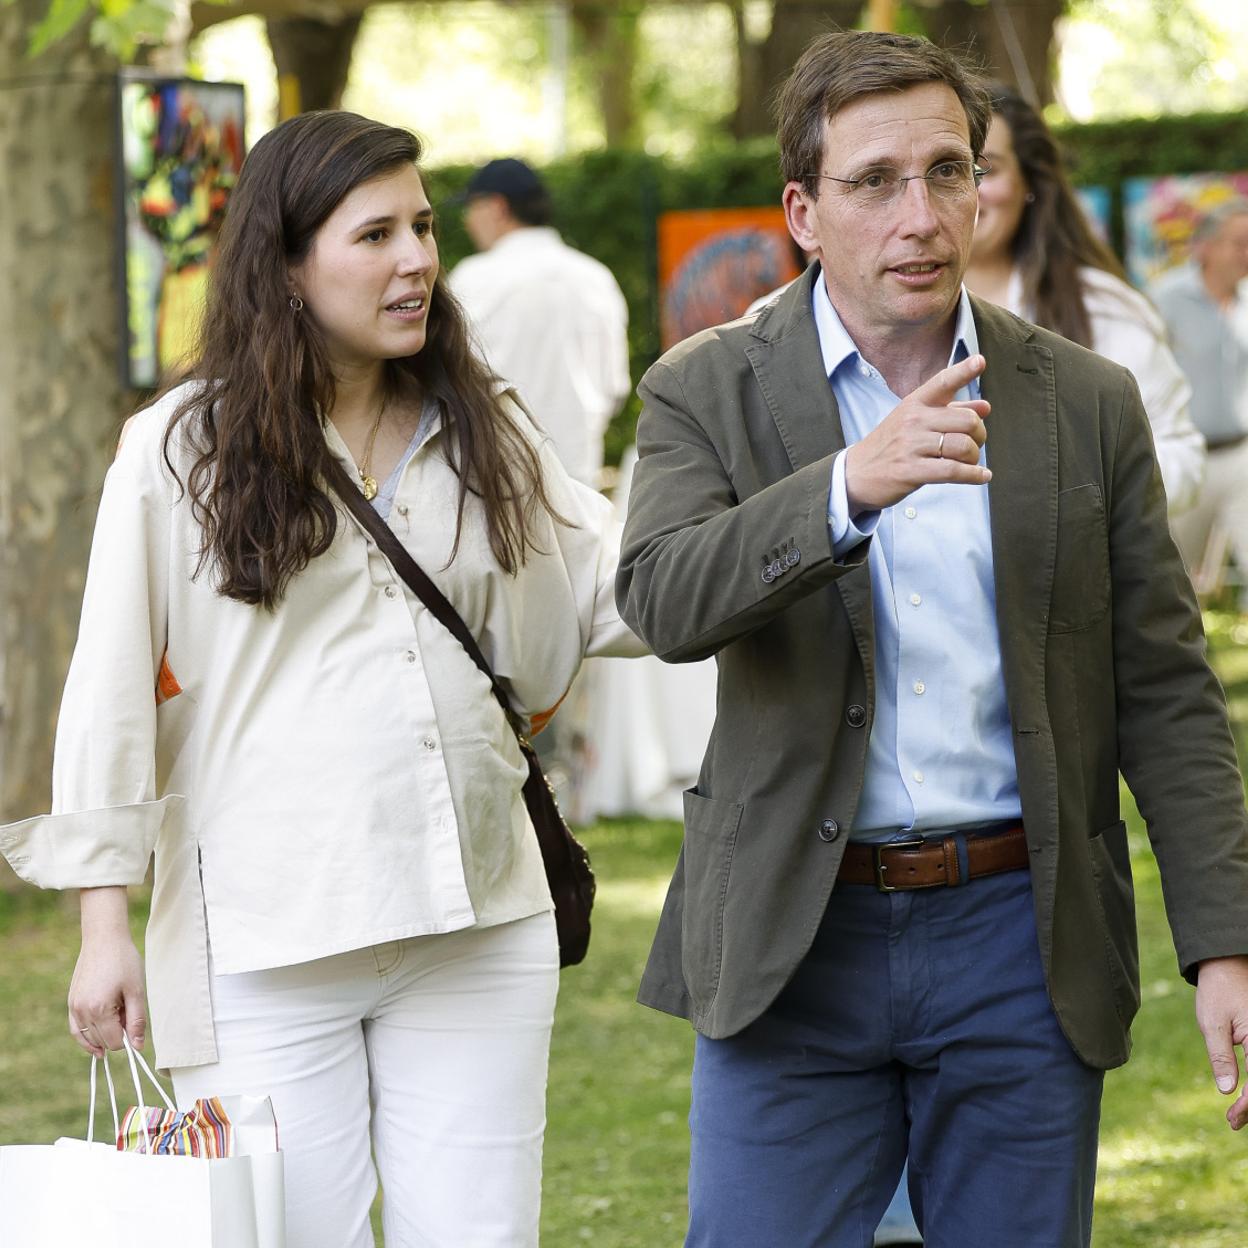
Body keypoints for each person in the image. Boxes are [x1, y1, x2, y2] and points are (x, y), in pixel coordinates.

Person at [616, 30, 1248, 1248]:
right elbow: (661, 598)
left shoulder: (1085, 399)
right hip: (797, 938)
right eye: (875, 182)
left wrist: (1224, 941)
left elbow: (1167, 690)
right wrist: (842, 490)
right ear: (803, 214)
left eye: (947, 171)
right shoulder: (706, 388)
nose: (921, 216)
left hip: (1021, 933)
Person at [0, 110, 642, 1248]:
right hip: (266, 940)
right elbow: (107, 692)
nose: (417, 260)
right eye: (376, 234)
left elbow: (613, 583)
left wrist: (807, 521)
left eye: (425, 228)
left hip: (478, 922)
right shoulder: (176, 450)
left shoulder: (483, 424)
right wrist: (104, 928)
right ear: (288, 265)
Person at [965, 83, 1204, 516]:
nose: (965, 189)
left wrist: (1074, 488)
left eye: (985, 168)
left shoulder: (1099, 308)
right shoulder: (863, 313)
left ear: (1030, 183)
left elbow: (1179, 457)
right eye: (944, 169)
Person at [450, 156, 631, 489]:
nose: (468, 221)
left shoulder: (473, 279)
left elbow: (449, 384)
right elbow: (615, 388)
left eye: (471, 208)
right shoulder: (596, 277)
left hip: (494, 481)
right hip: (579, 483)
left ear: (497, 207)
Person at [1151, 201, 1248, 589]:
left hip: (1242, 456)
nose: (1246, 253)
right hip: (1188, 458)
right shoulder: (1165, 299)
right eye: (1239, 243)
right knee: (1174, 577)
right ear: (1206, 247)